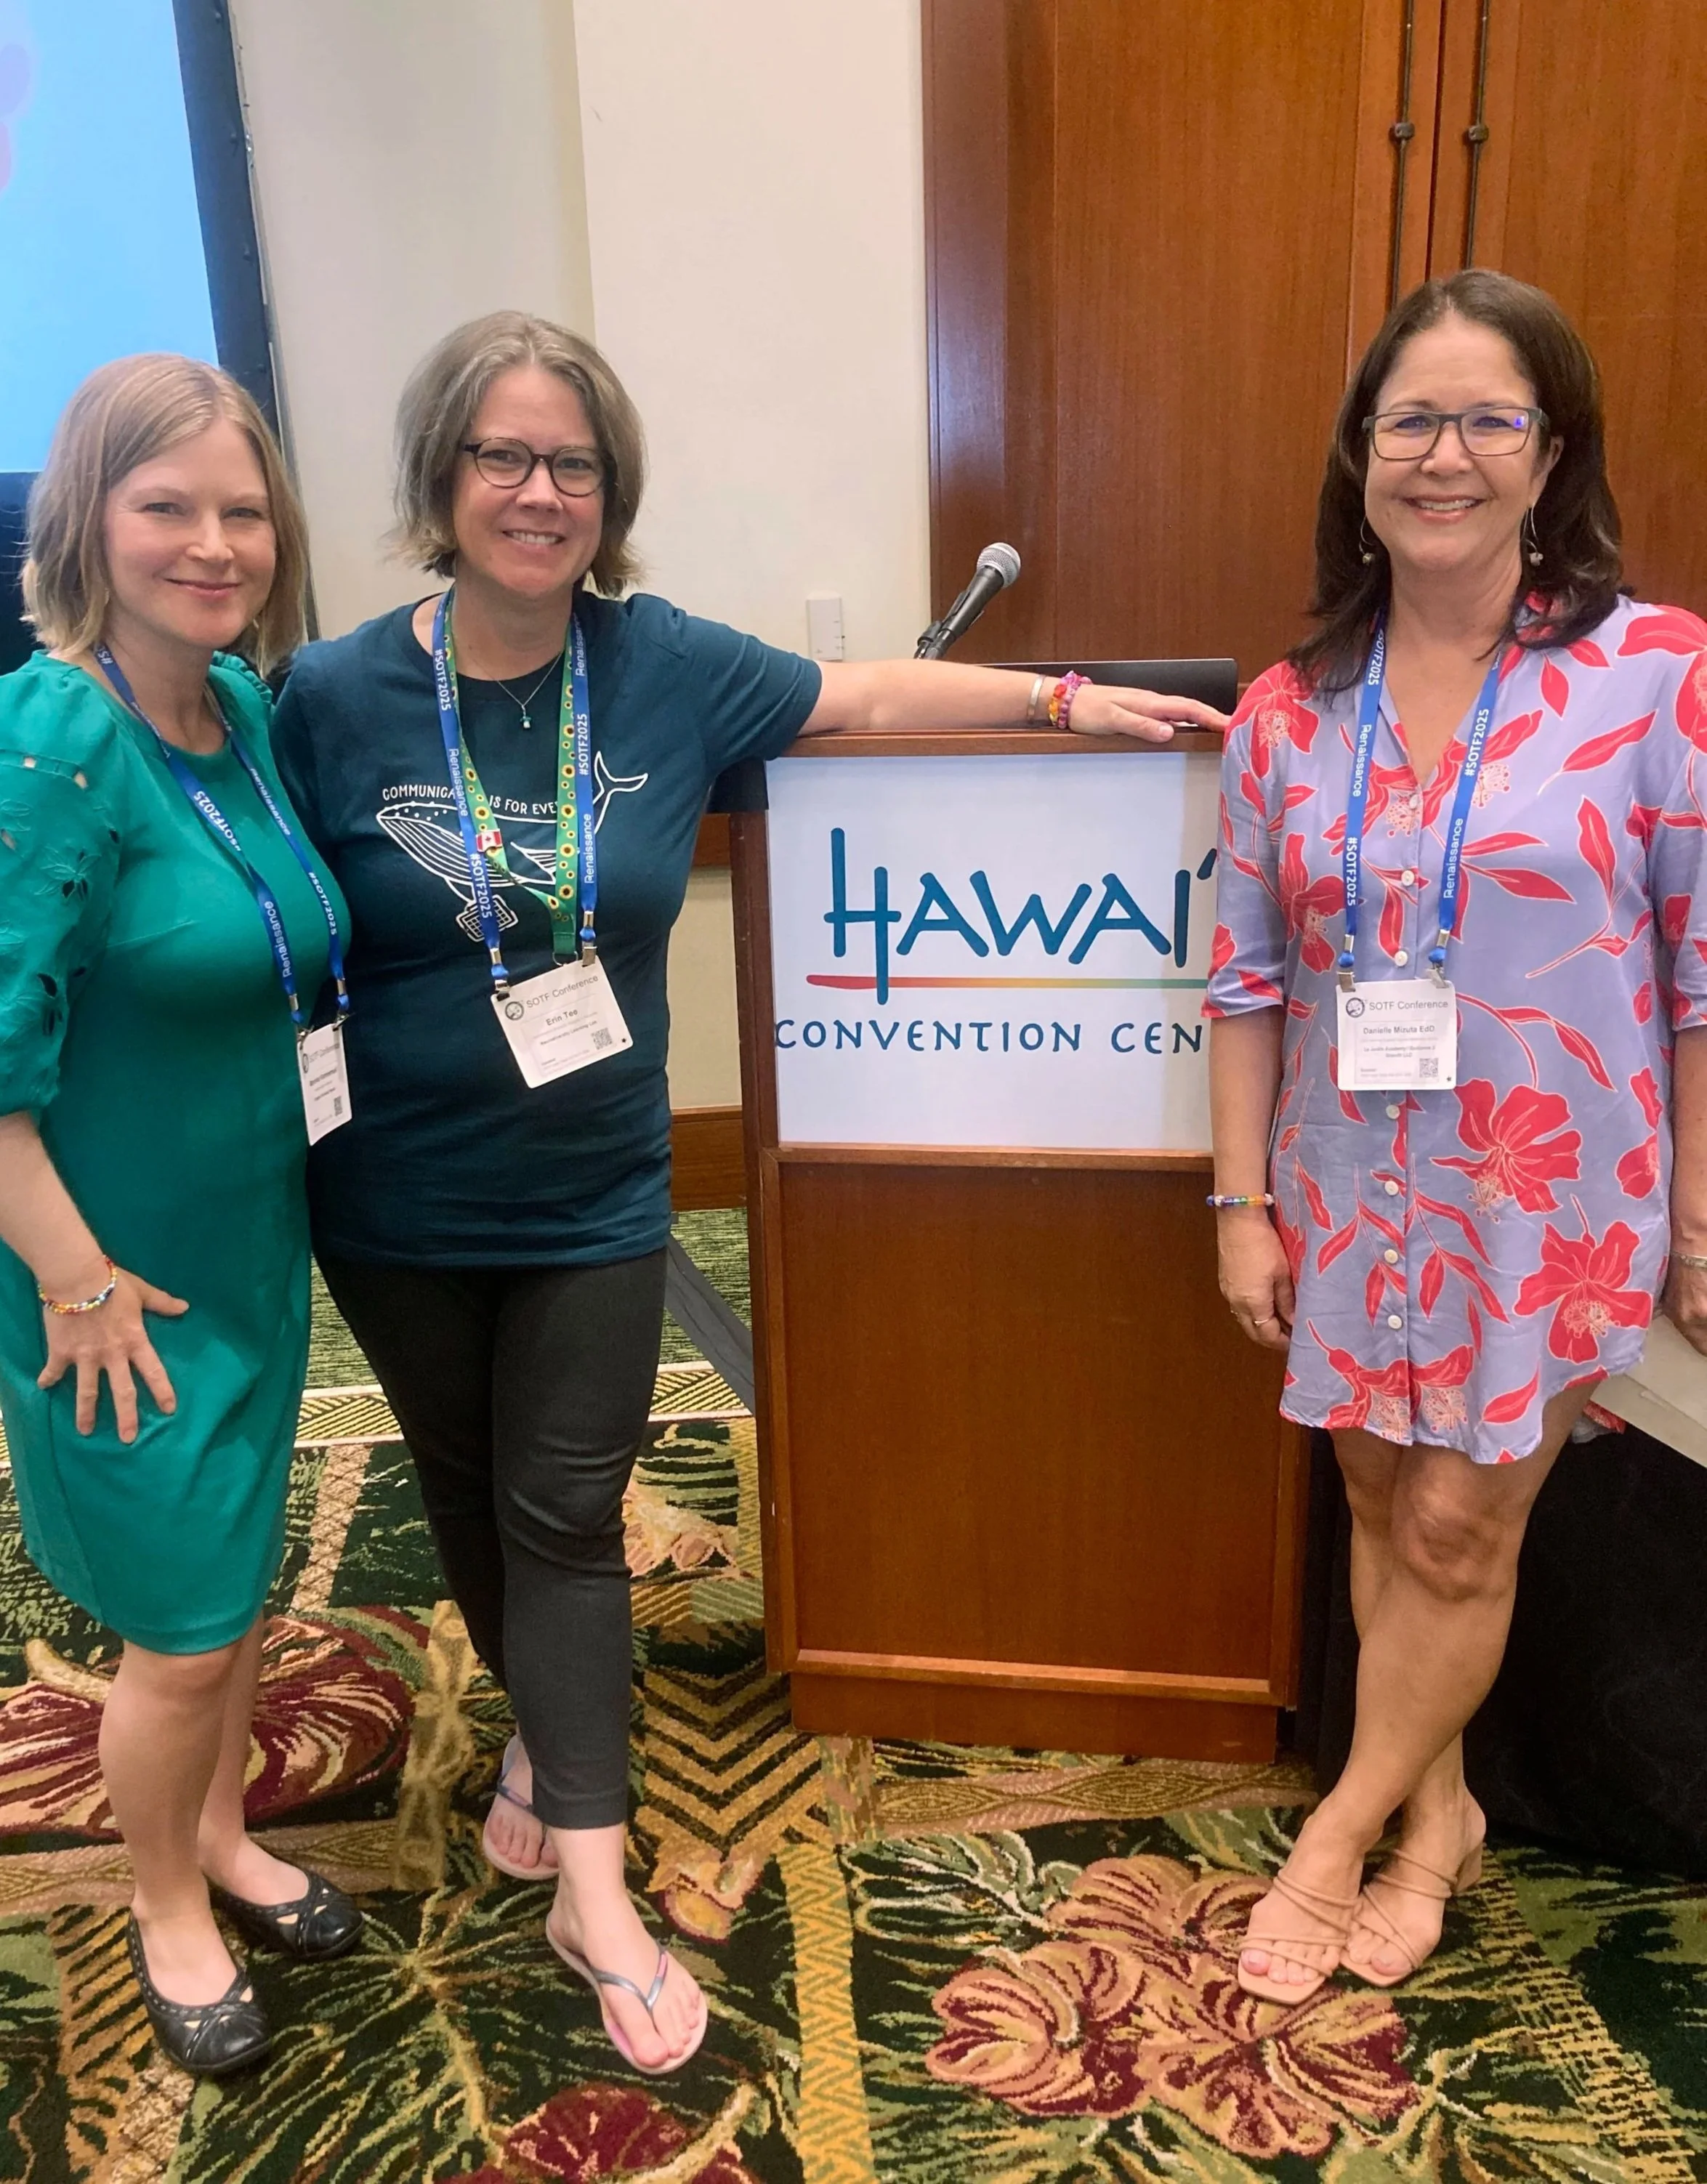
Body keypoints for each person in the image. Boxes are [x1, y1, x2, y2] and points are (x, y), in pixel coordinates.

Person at [272, 309, 1228, 2073]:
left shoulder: (660, 667)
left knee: (569, 1508)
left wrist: (1062, 696)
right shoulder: (329, 696)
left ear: (609, 491)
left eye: (571, 462)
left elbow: (859, 693)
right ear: (440, 479)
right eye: (500, 456)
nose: (537, 490)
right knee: (468, 1485)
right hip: (389, 1193)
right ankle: (544, 1748)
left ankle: (592, 1883)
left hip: (593, 1195)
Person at [1207, 269, 1707, 2002]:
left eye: (1488, 419)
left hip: (1552, 1195)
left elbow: (1701, 973)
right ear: (1359, 455)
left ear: (1548, 451)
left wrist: (1699, 1220)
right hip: (1345, 1183)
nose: (1444, 455)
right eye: (1409, 419)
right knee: (1370, 1490)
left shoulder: (1651, 677)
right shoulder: (1289, 706)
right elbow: (1245, 978)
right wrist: (1235, 1204)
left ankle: (1338, 1833)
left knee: (1453, 1530)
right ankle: (1445, 1821)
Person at [0, 356, 361, 2076]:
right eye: (168, 508)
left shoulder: (243, 709)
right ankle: (163, 1898)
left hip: (246, 1248)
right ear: (88, 521)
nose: (214, 542)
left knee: (230, 1584)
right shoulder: (61, 730)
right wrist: (72, 1280)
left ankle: (221, 1838)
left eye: (240, 507)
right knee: (183, 1628)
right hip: (108, 1278)